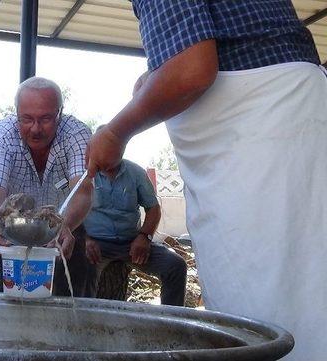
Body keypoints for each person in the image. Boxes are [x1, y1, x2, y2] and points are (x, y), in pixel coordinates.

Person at [85, 2, 326, 359]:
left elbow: (191, 69)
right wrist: (155, 76)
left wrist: (115, 133)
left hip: (260, 129)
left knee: (267, 305)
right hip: (269, 125)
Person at [0, 76, 95, 296]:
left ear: (59, 113)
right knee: (11, 306)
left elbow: (82, 189)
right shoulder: (0, 134)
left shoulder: (77, 133)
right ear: (16, 113)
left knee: (68, 307)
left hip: (66, 230)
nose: (35, 129)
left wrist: (64, 224)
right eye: (26, 119)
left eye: (45, 119)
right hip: (14, 231)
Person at [84, 158, 186, 306]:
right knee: (78, 268)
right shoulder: (84, 174)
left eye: (114, 146)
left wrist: (145, 236)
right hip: (95, 243)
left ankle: (172, 322)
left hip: (131, 243)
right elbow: (70, 210)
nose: (108, 152)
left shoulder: (136, 172)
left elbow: (153, 209)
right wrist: (85, 239)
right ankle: (83, 321)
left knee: (176, 265)